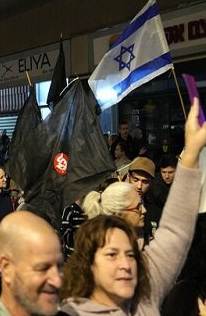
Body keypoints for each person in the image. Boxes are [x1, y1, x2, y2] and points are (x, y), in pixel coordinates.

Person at [62, 98, 206, 315]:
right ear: (88, 263)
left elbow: (175, 231)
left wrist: (192, 152)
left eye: (131, 254)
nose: (125, 264)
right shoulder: (70, 312)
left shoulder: (145, 288)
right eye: (112, 255)